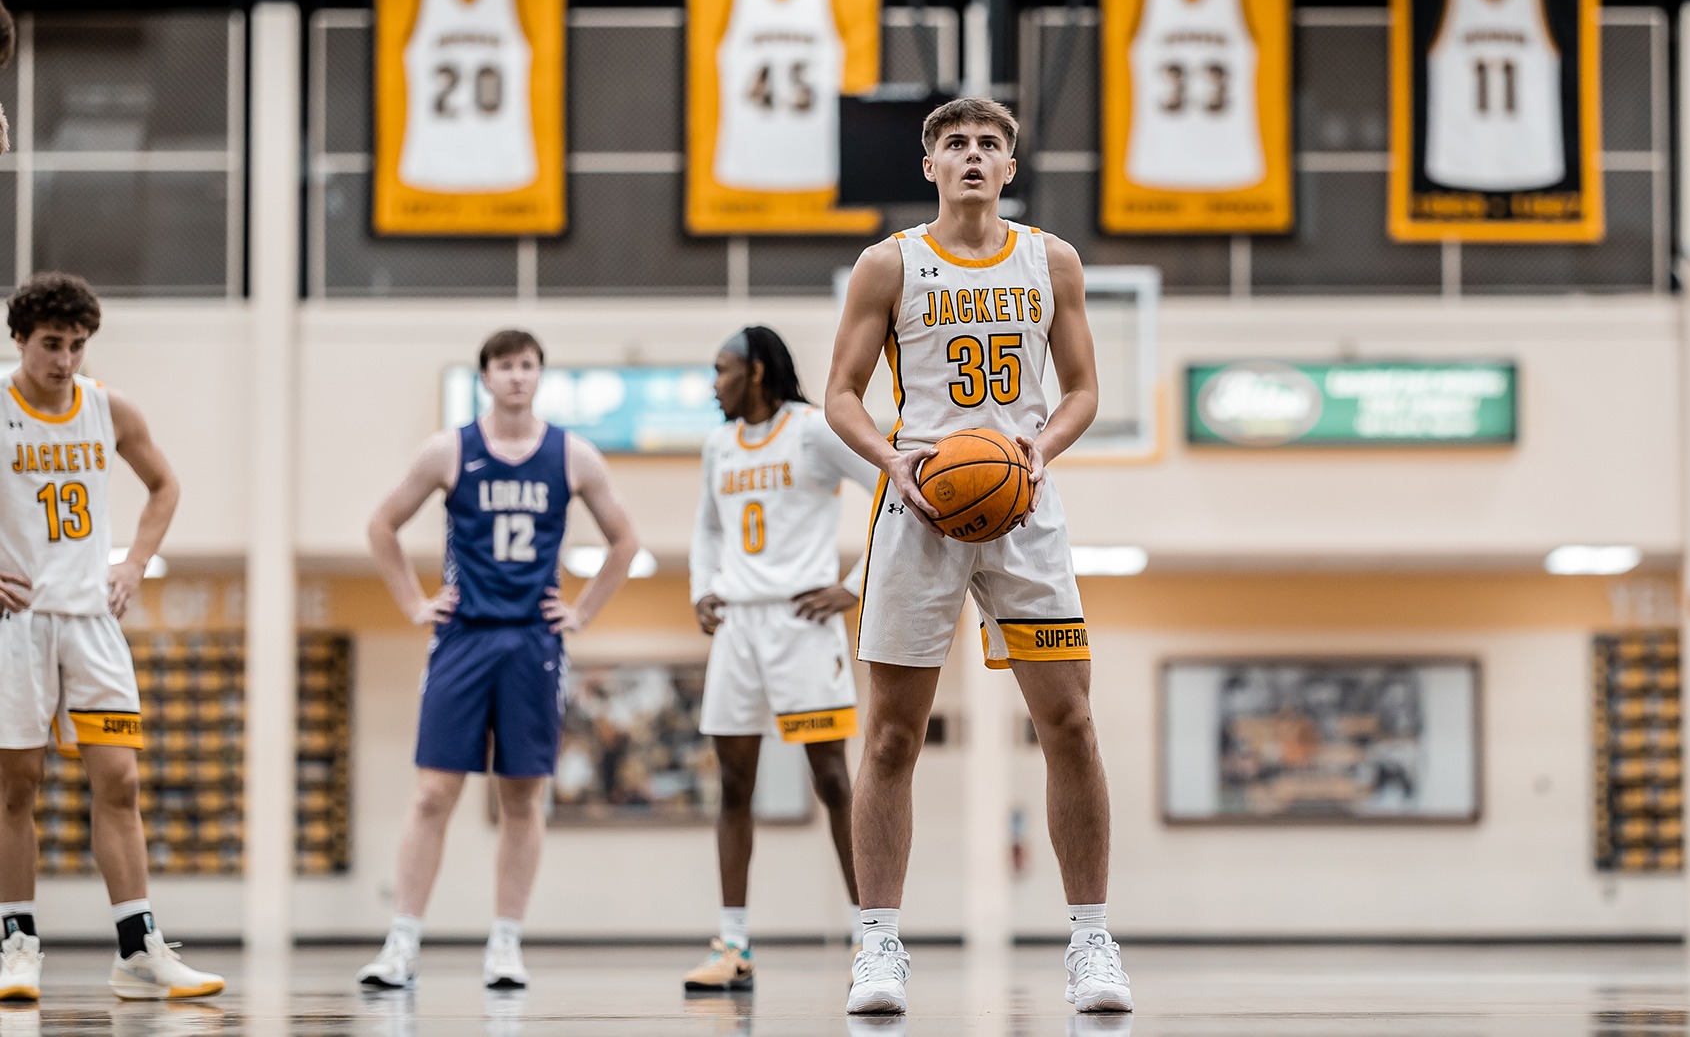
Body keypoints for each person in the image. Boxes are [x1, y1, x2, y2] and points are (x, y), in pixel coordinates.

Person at [823, 97, 1133, 1015]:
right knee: (892, 734)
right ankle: (878, 946)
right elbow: (840, 394)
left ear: (1009, 167)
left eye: (988, 144)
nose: (971, 155)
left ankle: (1092, 942)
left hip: (1022, 503)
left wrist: (1040, 448)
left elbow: (1082, 390)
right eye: (953, 143)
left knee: (1071, 723)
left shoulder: (1052, 260)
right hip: (919, 504)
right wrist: (890, 460)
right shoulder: (889, 263)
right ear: (929, 167)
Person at [356, 329, 638, 991]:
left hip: (533, 641)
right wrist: (412, 602)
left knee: (521, 795)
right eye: (505, 365)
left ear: (540, 375)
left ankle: (506, 943)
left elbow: (625, 540)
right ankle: (402, 942)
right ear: (485, 377)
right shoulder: (450, 450)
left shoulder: (573, 455)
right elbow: (381, 524)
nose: (517, 375)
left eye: (527, 365)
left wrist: (583, 611)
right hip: (463, 636)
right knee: (433, 792)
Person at [0, 271, 222, 1001]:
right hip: (16, 621)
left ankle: (137, 951)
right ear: (20, 340)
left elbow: (165, 485)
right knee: (16, 785)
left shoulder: (108, 408)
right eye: (51, 344)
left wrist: (133, 562)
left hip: (91, 620)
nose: (65, 360)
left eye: (77, 345)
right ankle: (16, 945)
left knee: (120, 781)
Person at [681, 325, 878, 992]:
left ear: (757, 371)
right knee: (734, 786)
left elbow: (891, 487)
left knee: (833, 780)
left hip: (802, 623)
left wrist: (855, 585)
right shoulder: (718, 445)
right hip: (738, 626)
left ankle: (871, 938)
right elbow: (708, 527)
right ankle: (733, 944)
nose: (714, 384)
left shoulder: (814, 430)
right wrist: (702, 589)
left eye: (722, 369)